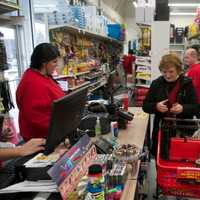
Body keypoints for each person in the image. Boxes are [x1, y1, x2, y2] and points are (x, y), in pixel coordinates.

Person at [142, 53, 198, 157]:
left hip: (183, 131)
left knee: (181, 160)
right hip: (162, 131)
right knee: (161, 159)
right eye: (164, 72)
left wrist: (183, 108)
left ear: (178, 69)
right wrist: (156, 106)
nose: (167, 75)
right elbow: (145, 106)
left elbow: (196, 108)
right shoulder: (156, 84)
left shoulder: (187, 84)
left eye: (171, 71)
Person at [16, 43, 65, 141]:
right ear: (44, 63)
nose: (57, 65)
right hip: (40, 138)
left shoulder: (42, 75)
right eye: (54, 62)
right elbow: (37, 118)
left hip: (51, 131)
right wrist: (63, 127)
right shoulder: (33, 83)